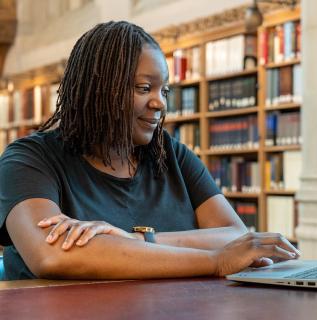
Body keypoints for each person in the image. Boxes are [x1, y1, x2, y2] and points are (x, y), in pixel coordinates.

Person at [0, 21, 300, 281]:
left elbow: (235, 236)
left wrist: (138, 239)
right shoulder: (29, 160)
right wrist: (215, 260)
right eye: (144, 88)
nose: (160, 103)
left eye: (164, 90)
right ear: (101, 89)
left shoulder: (172, 156)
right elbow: (52, 255)